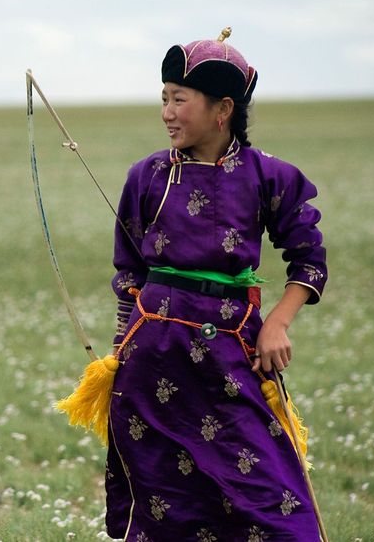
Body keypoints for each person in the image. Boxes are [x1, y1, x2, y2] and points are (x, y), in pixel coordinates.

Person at [103, 28, 327, 541]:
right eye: (163, 98)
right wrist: (118, 354)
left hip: (232, 356)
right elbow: (128, 273)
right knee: (166, 503)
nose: (167, 112)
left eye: (180, 99)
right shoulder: (147, 176)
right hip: (153, 358)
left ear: (222, 109)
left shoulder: (269, 176)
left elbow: (309, 260)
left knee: (275, 502)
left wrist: (278, 322)